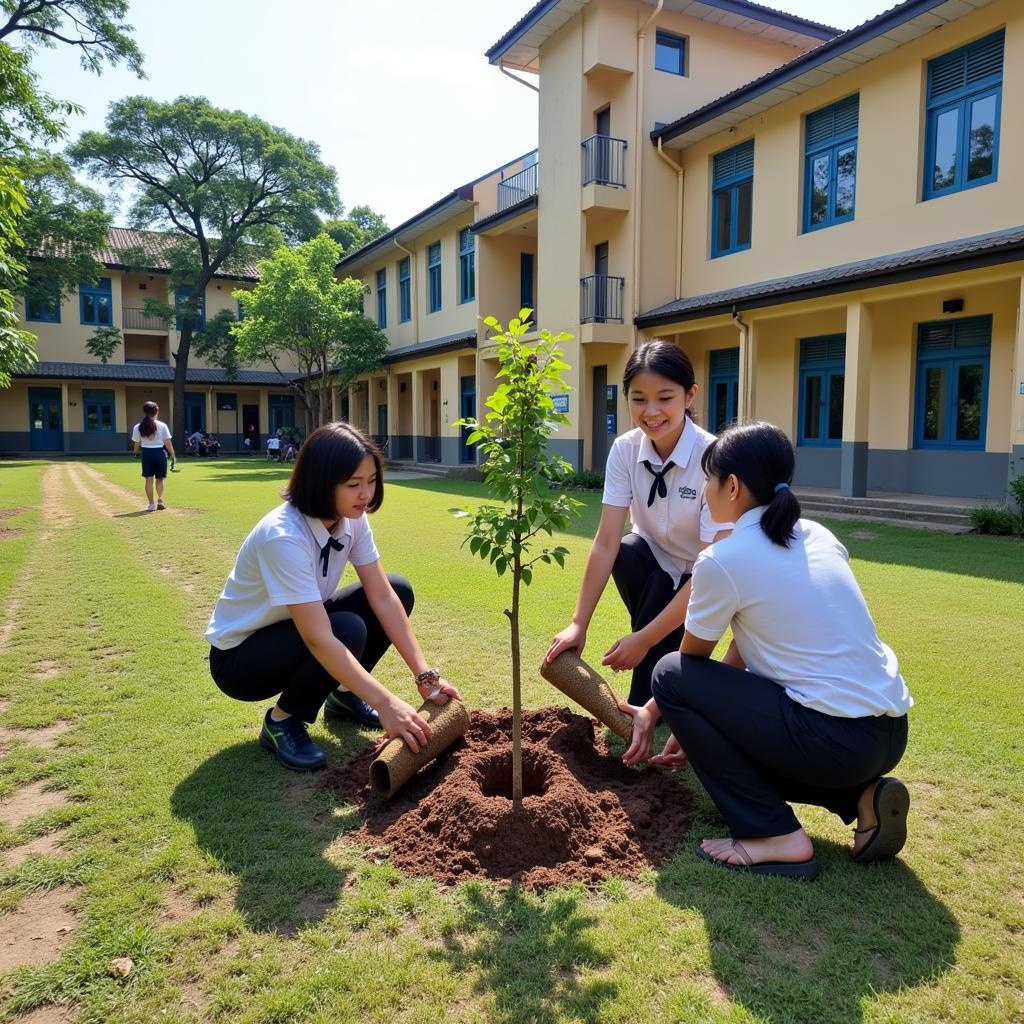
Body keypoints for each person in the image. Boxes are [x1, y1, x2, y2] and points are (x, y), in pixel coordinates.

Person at [621, 421, 913, 881]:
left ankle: (775, 836)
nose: (703, 491)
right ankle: (860, 796)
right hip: (887, 733)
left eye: (707, 480)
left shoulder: (723, 560)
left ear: (731, 486)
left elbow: (688, 668)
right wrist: (681, 721)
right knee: (694, 703)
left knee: (668, 670)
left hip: (832, 738)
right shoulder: (816, 535)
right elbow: (747, 638)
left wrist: (661, 709)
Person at [205, 422, 460, 772]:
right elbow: (318, 636)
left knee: (398, 588)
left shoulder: (351, 518)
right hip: (240, 660)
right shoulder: (283, 536)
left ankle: (344, 697)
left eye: (371, 481)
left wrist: (424, 675)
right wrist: (386, 703)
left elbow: (382, 596)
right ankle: (281, 721)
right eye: (353, 484)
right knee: (344, 629)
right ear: (321, 482)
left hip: (299, 629)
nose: (365, 494)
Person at [546, 340, 730, 705]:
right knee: (629, 550)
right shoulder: (626, 449)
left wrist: (643, 639)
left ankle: (645, 698)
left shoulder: (714, 459)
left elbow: (712, 569)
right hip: (649, 567)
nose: (651, 412)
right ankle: (661, 686)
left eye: (665, 397)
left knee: (661, 602)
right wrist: (578, 623)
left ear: (689, 395)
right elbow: (606, 541)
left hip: (704, 575)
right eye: (638, 398)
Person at [131, 401, 176, 512]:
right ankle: (160, 500)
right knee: (160, 479)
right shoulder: (162, 425)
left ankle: (151, 505)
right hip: (160, 454)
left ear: (145, 412)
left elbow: (137, 443)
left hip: (146, 454)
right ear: (156, 412)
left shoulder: (138, 427)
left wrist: (135, 452)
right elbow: (167, 442)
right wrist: (173, 455)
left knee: (148, 480)